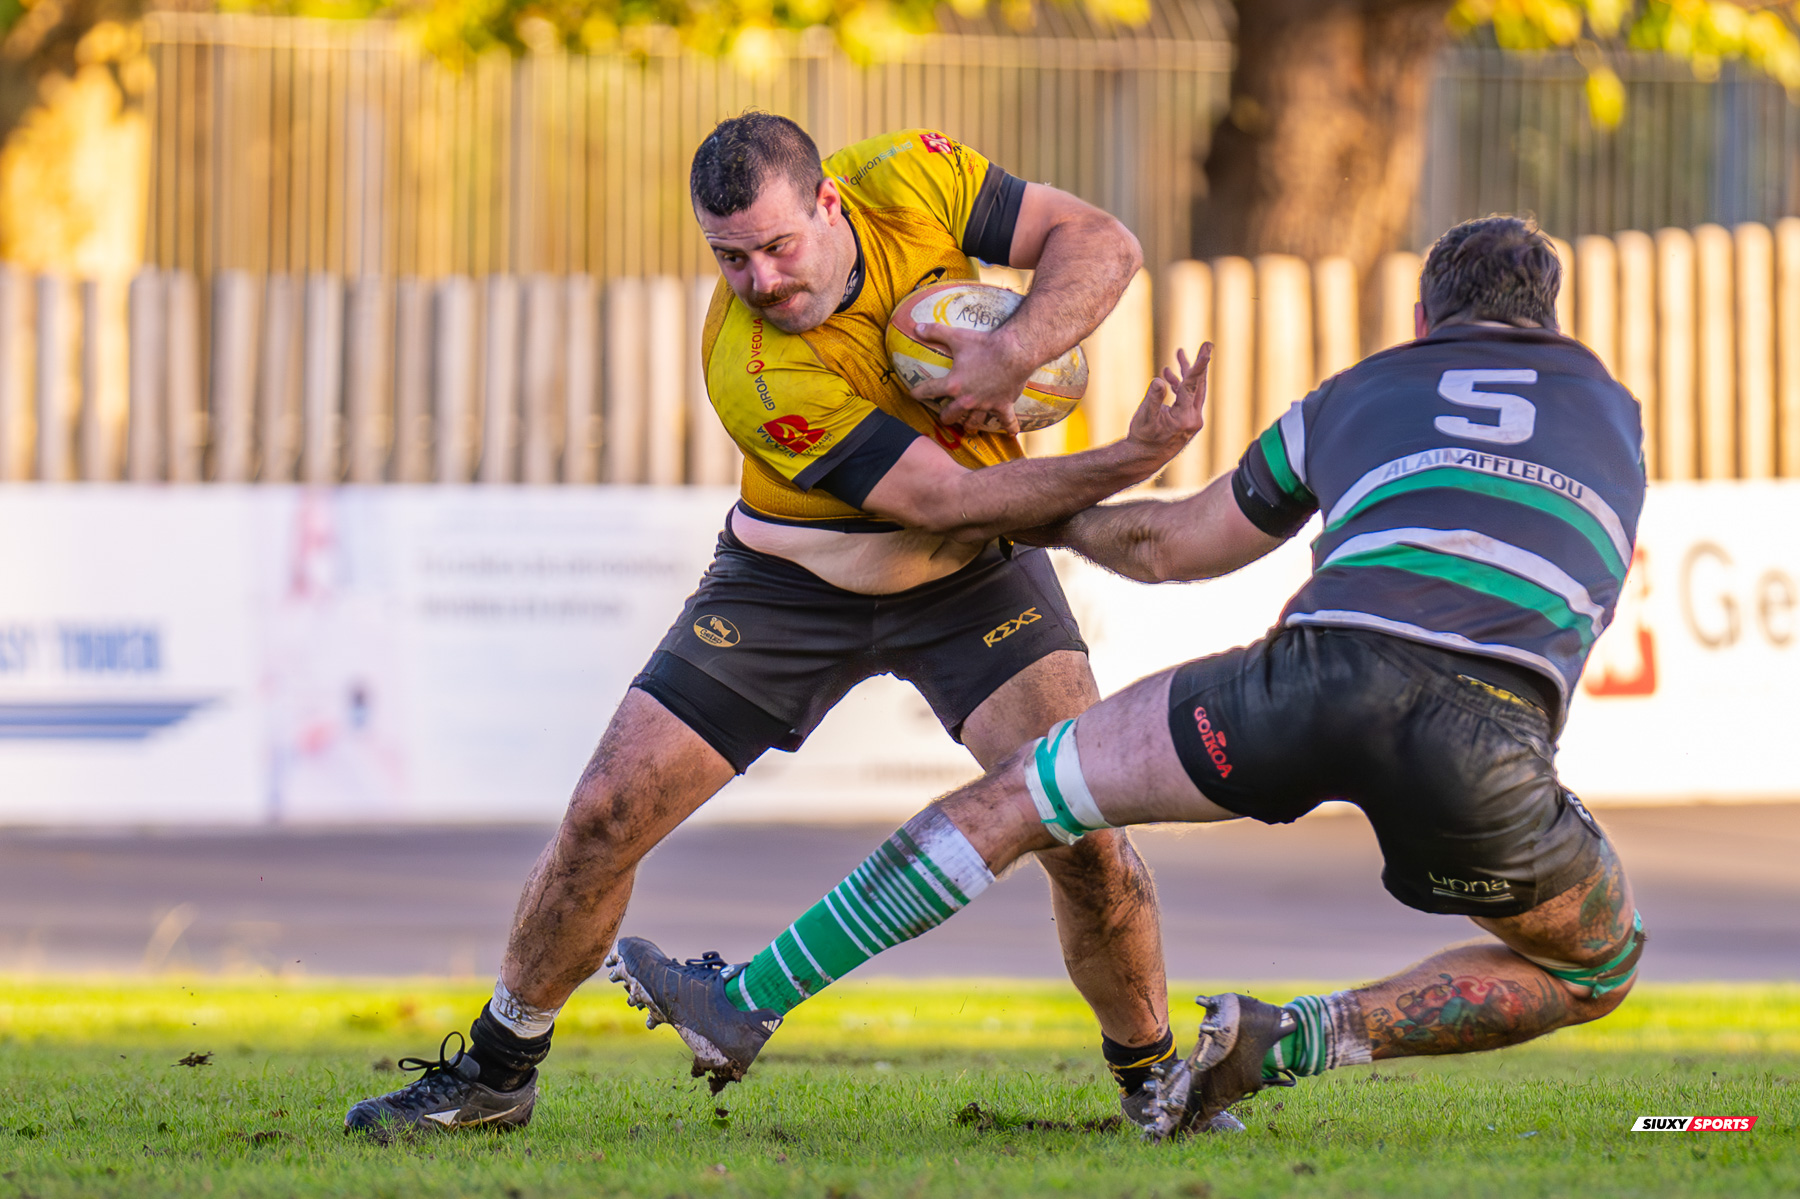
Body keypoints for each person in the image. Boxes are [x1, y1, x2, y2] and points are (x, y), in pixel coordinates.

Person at [610, 215, 1649, 1140]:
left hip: (1306, 678)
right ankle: (1284, 1040)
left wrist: (1021, 502)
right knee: (1594, 963)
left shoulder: (1356, 394)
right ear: (1551, 322)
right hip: (1484, 737)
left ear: (1422, 317)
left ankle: (749, 996)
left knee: (1020, 796)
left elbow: (1172, 546)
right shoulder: (1615, 414)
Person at [346, 113, 1213, 1136]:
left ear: (829, 203)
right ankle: (498, 1069)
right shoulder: (752, 366)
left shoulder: (912, 180)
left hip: (974, 582)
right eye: (729, 257)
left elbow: (1103, 242)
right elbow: (940, 500)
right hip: (788, 587)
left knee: (1086, 838)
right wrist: (1132, 455)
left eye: (776, 246)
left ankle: (1159, 1080)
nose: (758, 279)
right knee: (603, 817)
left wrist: (1012, 350)